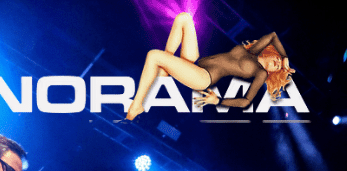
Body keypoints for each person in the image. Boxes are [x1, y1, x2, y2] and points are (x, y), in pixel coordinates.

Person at [125, 12, 295, 120]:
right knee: (184, 18)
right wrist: (285, 58)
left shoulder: (260, 73)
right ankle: (164, 71)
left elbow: (246, 101)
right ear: (272, 53)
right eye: (277, 60)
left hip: (202, 77)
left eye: (277, 67)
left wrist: (219, 101)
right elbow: (272, 35)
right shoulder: (253, 52)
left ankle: (137, 105)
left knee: (154, 55)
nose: (277, 63)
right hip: (195, 63)